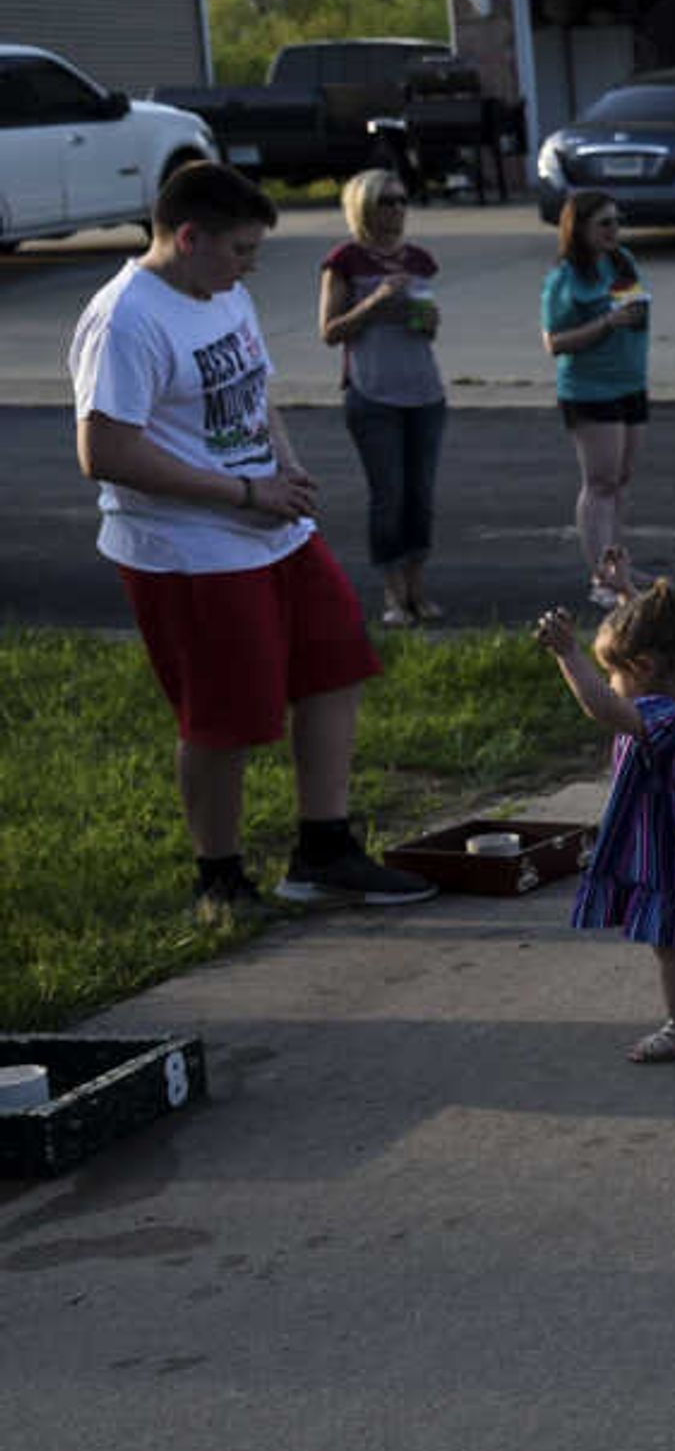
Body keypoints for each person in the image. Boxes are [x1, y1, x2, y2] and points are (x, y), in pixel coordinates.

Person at [67, 159, 436, 926]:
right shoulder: (127, 318)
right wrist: (244, 492)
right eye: (239, 249)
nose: (249, 266)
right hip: (188, 547)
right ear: (188, 236)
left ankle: (324, 852)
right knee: (225, 713)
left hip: (270, 525)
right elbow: (104, 451)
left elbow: (254, 389)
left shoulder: (222, 290)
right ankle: (220, 878)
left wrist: (287, 471)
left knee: (336, 661)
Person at [533, 581, 675, 1063]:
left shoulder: (661, 715)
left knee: (670, 942)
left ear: (644, 668)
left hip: (670, 846)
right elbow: (656, 638)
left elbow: (602, 709)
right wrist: (629, 595)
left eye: (612, 673)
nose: (611, 684)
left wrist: (568, 655)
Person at [314, 165, 447, 625]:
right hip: (373, 395)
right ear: (364, 207)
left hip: (424, 391)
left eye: (402, 200)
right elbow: (330, 332)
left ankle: (418, 588)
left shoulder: (420, 260)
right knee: (388, 496)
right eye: (386, 201)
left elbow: (428, 327)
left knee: (421, 497)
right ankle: (394, 596)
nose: (396, 209)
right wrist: (372, 303)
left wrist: (423, 317)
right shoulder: (345, 261)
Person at [538, 190, 651, 608]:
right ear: (579, 228)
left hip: (630, 382)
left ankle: (619, 566)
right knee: (600, 483)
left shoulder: (622, 261)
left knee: (620, 481)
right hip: (589, 389)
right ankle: (601, 577)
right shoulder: (564, 278)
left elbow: (634, 304)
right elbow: (554, 342)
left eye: (617, 222)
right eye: (604, 223)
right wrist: (607, 323)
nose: (613, 231)